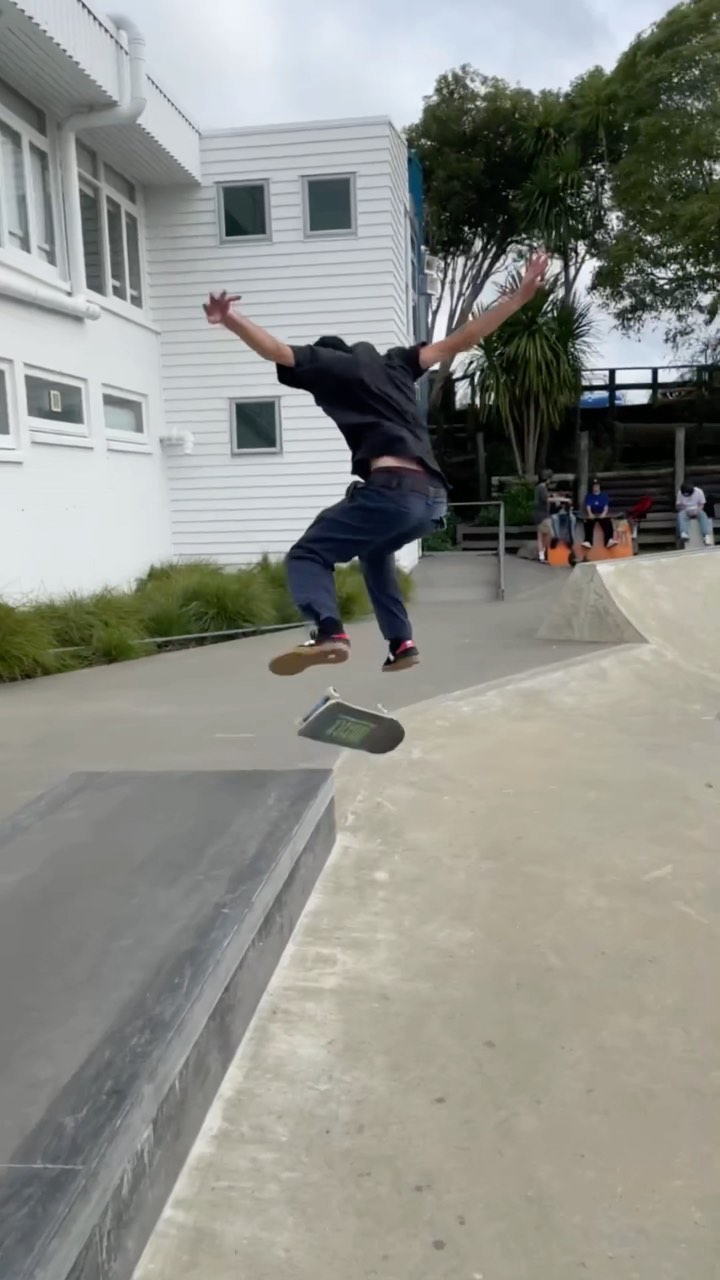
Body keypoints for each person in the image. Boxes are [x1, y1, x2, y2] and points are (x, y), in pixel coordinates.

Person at [203, 253, 549, 675]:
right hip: (433, 501)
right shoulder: (398, 363)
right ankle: (402, 643)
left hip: (392, 491)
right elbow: (460, 340)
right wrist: (518, 299)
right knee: (374, 551)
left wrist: (230, 318)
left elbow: (274, 349)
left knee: (308, 554)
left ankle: (330, 632)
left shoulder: (329, 364)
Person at [582, 478, 617, 549]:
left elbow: (606, 506)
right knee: (588, 523)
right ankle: (588, 541)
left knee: (608, 522)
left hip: (601, 513)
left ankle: (609, 541)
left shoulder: (604, 495)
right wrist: (590, 514)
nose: (595, 487)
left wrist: (604, 514)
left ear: (599, 486)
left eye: (597, 486)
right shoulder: (589, 496)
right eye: (594, 486)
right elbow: (588, 506)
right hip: (593, 513)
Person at [676, 480, 713, 545]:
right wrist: (684, 509)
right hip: (685, 510)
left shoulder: (699, 492)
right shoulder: (680, 493)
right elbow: (678, 505)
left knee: (703, 514)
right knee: (680, 514)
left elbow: (702, 504)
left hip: (696, 509)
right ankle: (684, 533)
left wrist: (697, 511)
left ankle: (706, 536)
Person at [533, 469, 554, 563]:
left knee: (541, 535)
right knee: (548, 534)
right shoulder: (542, 488)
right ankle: (542, 553)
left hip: (539, 514)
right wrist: (562, 499)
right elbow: (546, 499)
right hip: (543, 514)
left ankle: (541, 555)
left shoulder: (538, 488)